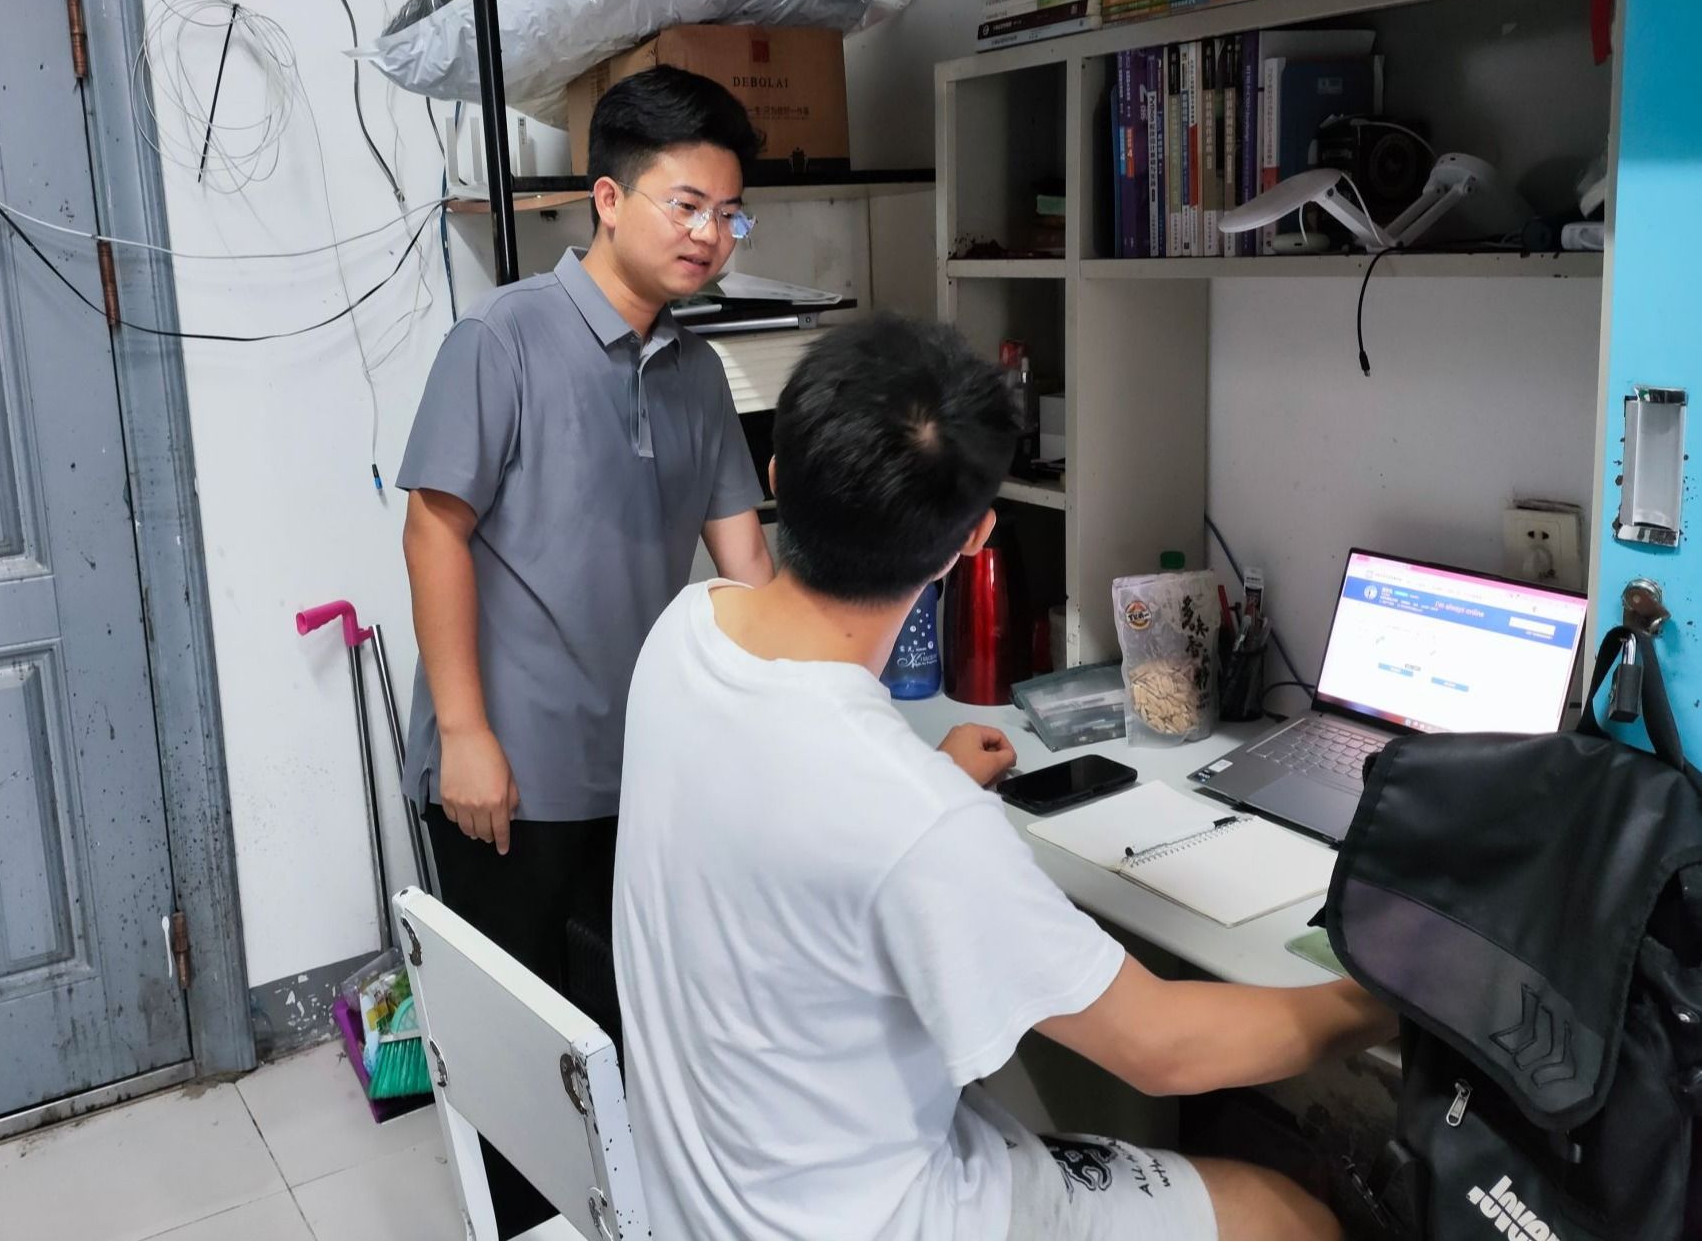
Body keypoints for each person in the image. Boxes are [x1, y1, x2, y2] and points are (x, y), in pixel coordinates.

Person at [612, 315, 1396, 1240]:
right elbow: (1161, 1047)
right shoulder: (915, 820)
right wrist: (1386, 1003)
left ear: (776, 478)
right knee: (1289, 1214)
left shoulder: (686, 631)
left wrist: (927, 781)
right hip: (885, 1221)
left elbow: (783, 798)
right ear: (972, 539)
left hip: (700, 1200)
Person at [397, 65, 774, 1230]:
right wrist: (465, 733)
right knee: (523, 1061)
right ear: (608, 198)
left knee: (623, 1033)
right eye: (685, 204)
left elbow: (748, 571)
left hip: (641, 764)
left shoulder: (698, 373)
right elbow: (432, 528)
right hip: (507, 772)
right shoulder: (502, 336)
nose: (709, 234)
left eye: (729, 213)